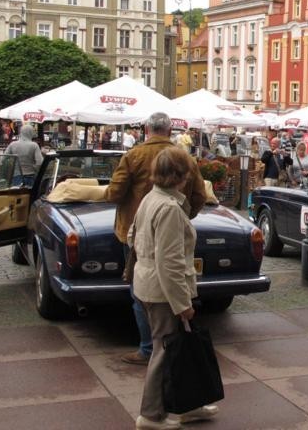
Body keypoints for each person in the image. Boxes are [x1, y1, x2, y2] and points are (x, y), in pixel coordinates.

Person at [106, 112, 206, 367]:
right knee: (171, 282)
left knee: (141, 292)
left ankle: (148, 348)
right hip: (172, 226)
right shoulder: (185, 158)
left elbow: (114, 193)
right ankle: (162, 348)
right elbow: (199, 196)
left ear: (147, 129)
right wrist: (185, 216)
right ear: (170, 130)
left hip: (136, 229)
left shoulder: (133, 155)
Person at [131, 147, 219, 429]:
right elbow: (168, 262)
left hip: (149, 284)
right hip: (162, 291)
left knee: (176, 348)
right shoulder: (168, 207)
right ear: (182, 175)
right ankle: (151, 415)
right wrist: (183, 304)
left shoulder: (152, 198)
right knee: (165, 349)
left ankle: (187, 405)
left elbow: (133, 236)